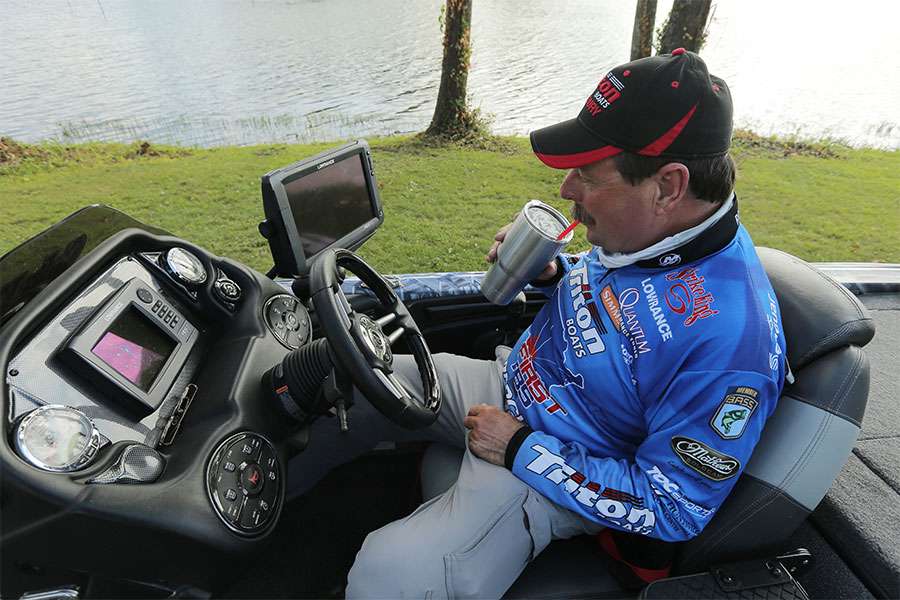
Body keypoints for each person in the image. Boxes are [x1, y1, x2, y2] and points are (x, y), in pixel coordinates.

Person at [286, 49, 787, 598]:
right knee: (334, 381)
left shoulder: (732, 345)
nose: (568, 191)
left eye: (588, 176)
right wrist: (554, 275)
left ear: (667, 186)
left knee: (391, 576)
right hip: (509, 386)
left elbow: (673, 506)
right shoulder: (650, 233)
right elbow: (624, 314)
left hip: (559, 460)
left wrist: (521, 447)